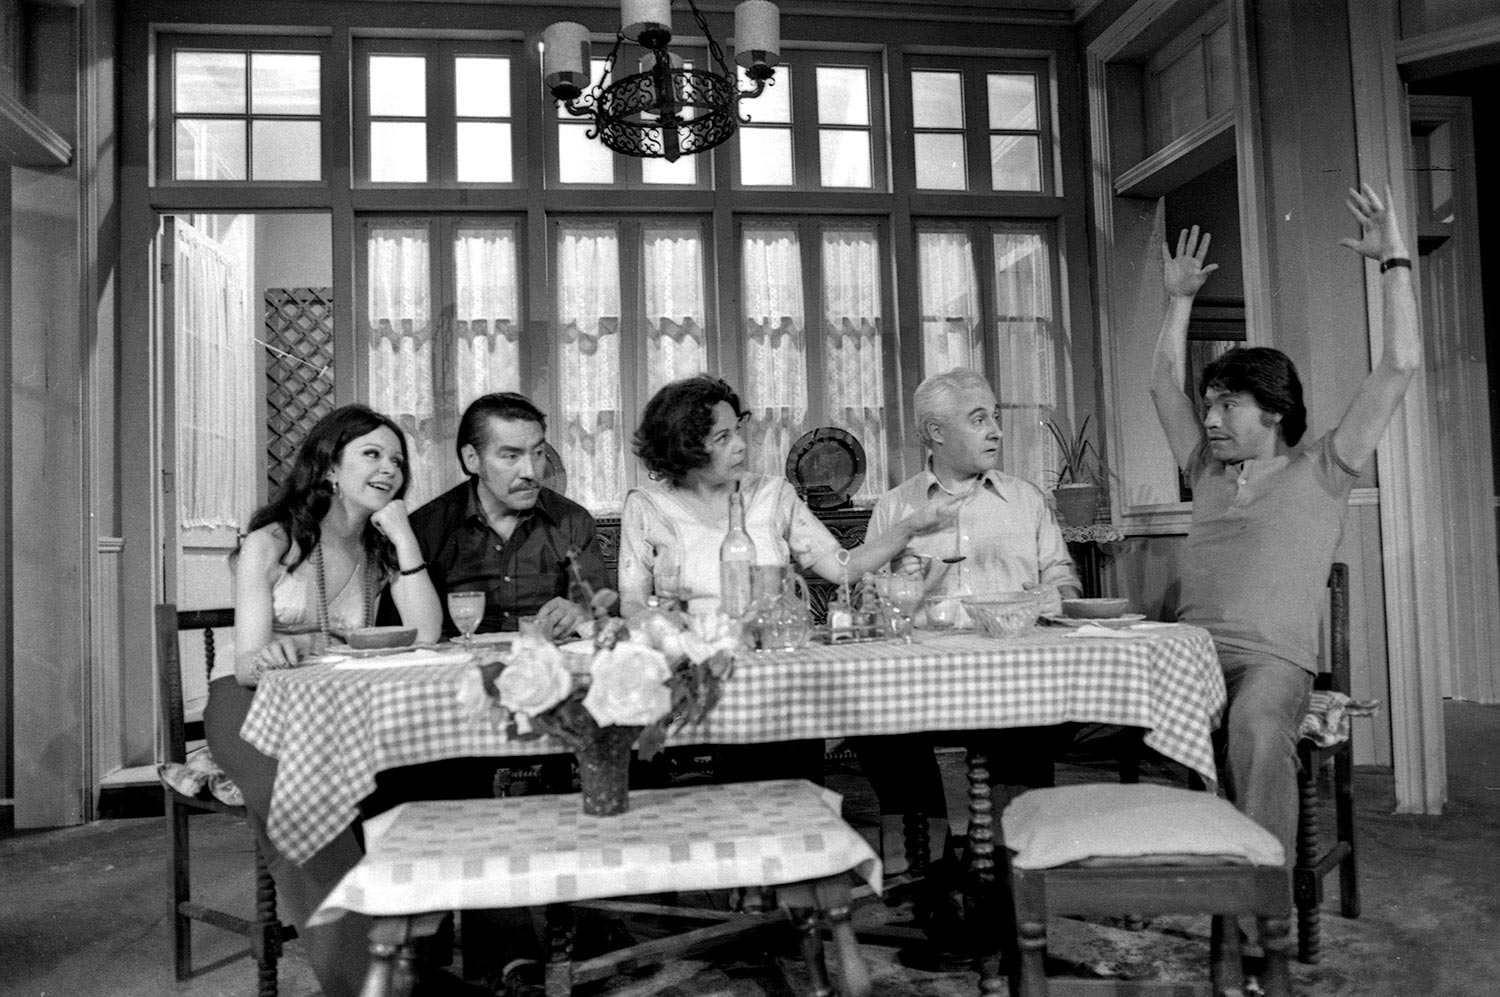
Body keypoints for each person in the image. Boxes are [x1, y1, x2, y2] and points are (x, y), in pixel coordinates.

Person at [1150, 183, 1420, 874]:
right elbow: (1161, 386)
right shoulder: (1206, 468)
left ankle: (1258, 898)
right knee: (1098, 711)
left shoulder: (1323, 468)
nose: (1210, 419)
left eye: (1227, 405)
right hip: (1187, 654)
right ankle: (1157, 872)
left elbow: (1399, 366)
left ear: (1273, 411)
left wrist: (1395, 260)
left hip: (1271, 663)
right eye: (1209, 405)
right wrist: (1179, 300)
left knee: (1255, 724)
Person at [204, 404, 485, 997]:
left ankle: (411, 963)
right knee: (296, 797)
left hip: (337, 705)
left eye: (397, 461)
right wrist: (281, 650)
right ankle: (365, 982)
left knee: (422, 777)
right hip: (250, 702)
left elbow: (427, 633)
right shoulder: (272, 540)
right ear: (330, 466)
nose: (389, 469)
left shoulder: (378, 546)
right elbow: (246, 661)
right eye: (371, 455)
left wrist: (403, 535)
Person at [618, 375, 959, 782]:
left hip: (773, 673)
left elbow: (843, 568)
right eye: (722, 438)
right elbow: (632, 602)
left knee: (812, 747)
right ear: (683, 446)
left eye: (738, 430)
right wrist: (663, 625)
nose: (741, 446)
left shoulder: (772, 495)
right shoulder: (647, 506)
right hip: (695, 675)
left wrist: (911, 526)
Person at [856, 367, 1083, 873]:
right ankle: (925, 862)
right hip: (920, 683)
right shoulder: (896, 507)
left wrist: (1053, 597)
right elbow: (871, 605)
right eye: (979, 419)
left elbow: (1063, 579)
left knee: (1031, 722)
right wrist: (894, 592)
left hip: (1012, 677)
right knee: (873, 720)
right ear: (936, 432)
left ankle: (1013, 860)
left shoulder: (1026, 500)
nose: (996, 431)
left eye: (995, 417)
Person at [409, 391, 614, 640]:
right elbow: (404, 634)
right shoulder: (426, 528)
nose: (531, 472)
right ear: (472, 459)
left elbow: (602, 611)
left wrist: (581, 613)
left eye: (537, 453)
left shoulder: (572, 521)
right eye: (511, 456)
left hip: (544, 659)